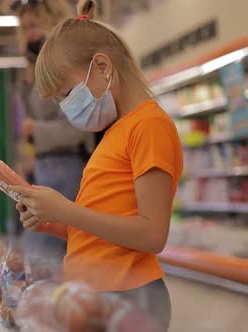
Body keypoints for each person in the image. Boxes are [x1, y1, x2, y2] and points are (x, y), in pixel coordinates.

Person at [11, 0, 183, 329]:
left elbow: (151, 234)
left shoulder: (149, 126)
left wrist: (66, 211)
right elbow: (105, 229)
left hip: (129, 294)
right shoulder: (116, 131)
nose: (66, 108)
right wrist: (50, 220)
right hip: (100, 292)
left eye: (67, 94)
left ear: (102, 67)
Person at [11, 0, 94, 269]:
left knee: (40, 256)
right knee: (43, 252)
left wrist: (35, 129)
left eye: (34, 25)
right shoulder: (31, 69)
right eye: (25, 28)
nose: (30, 33)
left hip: (67, 166)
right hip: (46, 167)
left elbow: (76, 129)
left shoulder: (64, 65)